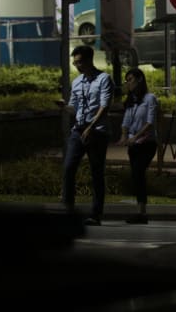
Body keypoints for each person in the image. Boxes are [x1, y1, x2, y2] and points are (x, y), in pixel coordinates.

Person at [62, 44, 114, 226]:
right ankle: (67, 210)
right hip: (78, 130)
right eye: (74, 63)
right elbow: (73, 108)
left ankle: (95, 214)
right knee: (68, 168)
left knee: (96, 173)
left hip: (97, 132)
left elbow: (105, 105)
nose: (77, 66)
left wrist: (91, 126)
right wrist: (63, 107)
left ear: (89, 60)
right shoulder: (76, 82)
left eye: (79, 62)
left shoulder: (104, 79)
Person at [117, 67, 159, 224]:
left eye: (131, 80)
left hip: (147, 144)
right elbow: (126, 122)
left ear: (140, 79)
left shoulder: (150, 99)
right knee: (136, 175)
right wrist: (123, 136)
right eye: (126, 81)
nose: (128, 84)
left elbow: (150, 122)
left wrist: (135, 137)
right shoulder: (131, 101)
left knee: (139, 172)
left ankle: (142, 212)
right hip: (133, 145)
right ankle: (140, 211)